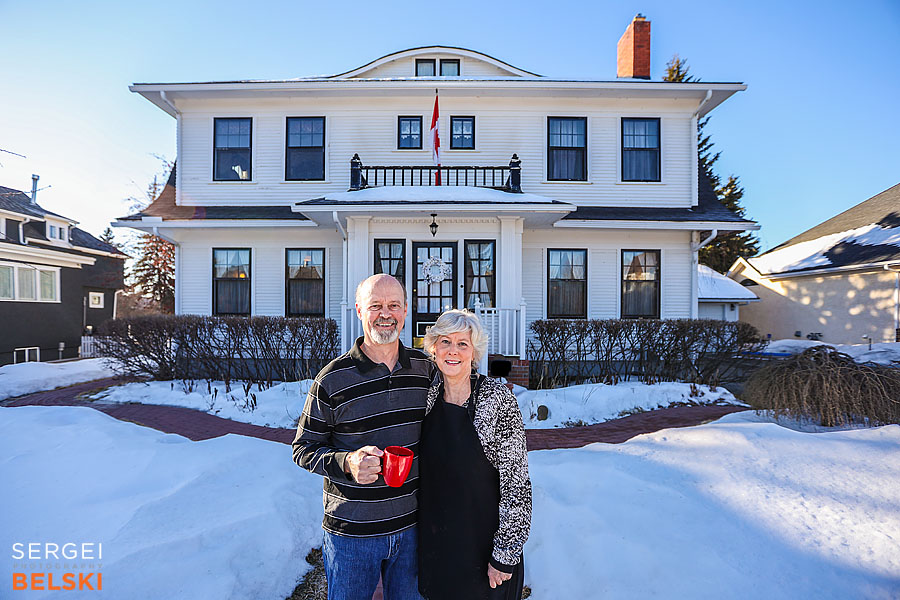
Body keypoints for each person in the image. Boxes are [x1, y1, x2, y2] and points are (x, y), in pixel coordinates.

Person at [292, 274, 434, 600]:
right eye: (375, 306)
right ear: (359, 310)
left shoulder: (425, 369)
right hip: (352, 534)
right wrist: (347, 462)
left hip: (411, 527)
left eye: (393, 305)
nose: (385, 314)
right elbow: (302, 448)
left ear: (406, 310)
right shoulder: (332, 380)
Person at [418, 309, 532, 600]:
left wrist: (505, 555)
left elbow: (516, 483)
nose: (452, 351)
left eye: (462, 344)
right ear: (433, 348)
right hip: (437, 551)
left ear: (474, 352)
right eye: (445, 342)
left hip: (485, 556)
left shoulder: (496, 399)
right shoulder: (427, 396)